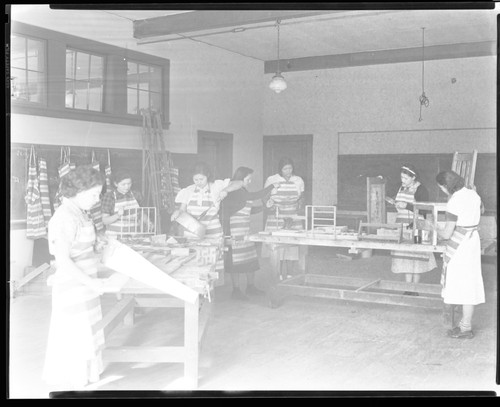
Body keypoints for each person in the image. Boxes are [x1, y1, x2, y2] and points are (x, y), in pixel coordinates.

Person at [43, 165, 109, 389]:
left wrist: (96, 245)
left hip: (86, 283)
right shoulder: (63, 217)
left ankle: (88, 375)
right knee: (76, 334)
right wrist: (91, 281)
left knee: (89, 330)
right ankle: (74, 380)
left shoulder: (80, 212)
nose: (96, 200)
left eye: (98, 195)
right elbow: (63, 260)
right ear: (77, 191)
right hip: (73, 285)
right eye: (92, 195)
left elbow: (79, 247)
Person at [170, 162, 244, 284]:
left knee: (209, 265)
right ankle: (198, 290)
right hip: (193, 232)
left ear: (207, 176)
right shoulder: (188, 190)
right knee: (194, 263)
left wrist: (225, 190)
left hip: (212, 232)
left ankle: (209, 292)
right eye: (196, 179)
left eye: (201, 179)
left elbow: (239, 183)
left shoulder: (216, 186)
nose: (198, 181)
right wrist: (177, 213)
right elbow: (182, 210)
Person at [433, 171, 484, 339]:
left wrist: (433, 228)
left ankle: (466, 328)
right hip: (472, 239)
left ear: (446, 186)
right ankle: (464, 325)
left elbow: (447, 234)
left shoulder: (454, 201)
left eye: (441, 188)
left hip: (460, 244)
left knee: (460, 283)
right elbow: (481, 211)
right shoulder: (473, 193)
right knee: (469, 281)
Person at [220, 166, 280, 300]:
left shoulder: (242, 191)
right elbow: (254, 196)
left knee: (249, 259)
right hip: (234, 230)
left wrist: (265, 207)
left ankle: (250, 287)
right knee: (235, 262)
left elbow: (249, 210)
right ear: (241, 178)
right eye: (248, 178)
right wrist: (271, 187)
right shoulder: (235, 191)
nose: (250, 181)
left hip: (245, 230)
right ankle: (236, 290)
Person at [388, 164, 437, 293]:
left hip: (417, 226)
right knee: (405, 258)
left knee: (416, 259)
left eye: (406, 178)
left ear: (413, 177)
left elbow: (425, 210)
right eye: (402, 177)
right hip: (402, 226)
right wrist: (396, 202)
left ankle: (415, 288)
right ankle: (407, 288)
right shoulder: (401, 187)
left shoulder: (421, 189)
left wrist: (407, 206)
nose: (403, 180)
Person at [262, 156, 307, 280]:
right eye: (285, 169)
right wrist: (270, 207)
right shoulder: (272, 179)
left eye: (290, 168)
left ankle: (290, 274)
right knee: (277, 245)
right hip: (276, 215)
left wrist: (298, 206)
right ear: (280, 169)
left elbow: (302, 197)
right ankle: (278, 274)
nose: (288, 171)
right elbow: (265, 197)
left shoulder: (298, 180)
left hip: (292, 214)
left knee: (292, 245)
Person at [101, 171, 151, 237]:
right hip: (115, 236)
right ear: (116, 184)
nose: (127, 187)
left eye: (129, 183)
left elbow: (141, 213)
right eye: (123, 184)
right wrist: (118, 215)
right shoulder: (109, 197)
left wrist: (148, 222)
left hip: (134, 235)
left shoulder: (136, 194)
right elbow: (105, 220)